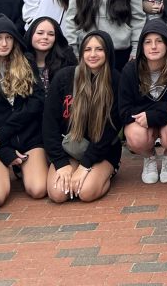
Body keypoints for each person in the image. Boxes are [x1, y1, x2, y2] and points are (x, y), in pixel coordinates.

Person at [0, 15, 47, 206]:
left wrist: (6, 132)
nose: (4, 43)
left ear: (14, 39)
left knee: (37, 189)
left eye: (9, 37)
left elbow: (36, 103)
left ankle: (22, 169)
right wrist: (5, 152)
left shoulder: (26, 62)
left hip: (28, 138)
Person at [42, 30, 122, 204]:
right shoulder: (64, 78)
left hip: (102, 151)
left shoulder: (115, 81)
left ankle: (106, 173)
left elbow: (110, 132)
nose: (92, 54)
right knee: (57, 194)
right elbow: (49, 125)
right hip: (70, 149)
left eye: (99, 49)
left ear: (107, 52)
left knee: (86, 193)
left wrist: (85, 166)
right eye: (87, 49)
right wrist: (61, 163)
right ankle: (76, 169)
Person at [120, 19, 167, 184]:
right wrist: (164, 107)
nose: (153, 46)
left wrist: (153, 115)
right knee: (135, 136)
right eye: (148, 42)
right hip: (145, 122)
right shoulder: (130, 71)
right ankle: (149, 158)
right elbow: (124, 112)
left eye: (159, 41)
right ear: (142, 47)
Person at [24, 16, 77, 94]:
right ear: (31, 35)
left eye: (51, 34)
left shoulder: (67, 62)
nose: (45, 37)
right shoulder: (20, 62)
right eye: (40, 33)